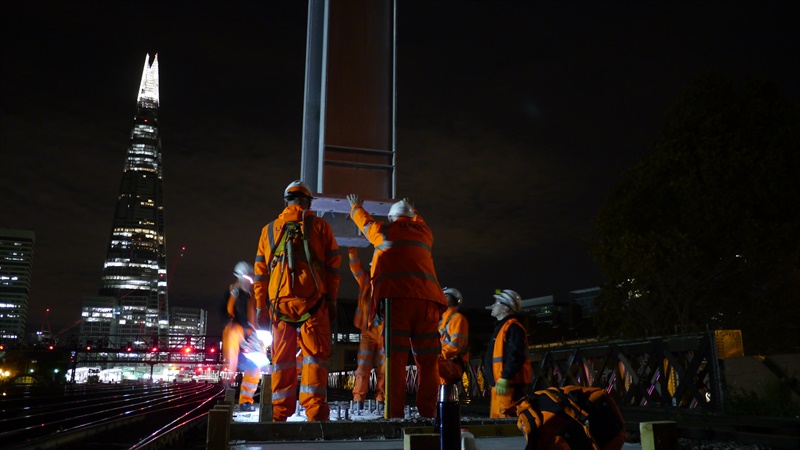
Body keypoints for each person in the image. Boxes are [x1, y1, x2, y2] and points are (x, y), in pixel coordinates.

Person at [346, 194, 446, 419]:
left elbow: (365, 223)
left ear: (391, 218)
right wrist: (413, 208)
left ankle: (394, 414)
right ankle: (429, 414)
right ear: (412, 217)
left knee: (395, 361)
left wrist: (355, 206)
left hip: (397, 305)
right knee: (428, 362)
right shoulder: (425, 234)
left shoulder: (384, 232)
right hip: (428, 304)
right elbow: (418, 221)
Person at [253, 180, 341, 422]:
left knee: (282, 361)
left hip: (279, 306)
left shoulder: (268, 230)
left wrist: (261, 306)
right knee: (315, 358)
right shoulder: (321, 227)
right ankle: (316, 416)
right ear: (308, 203)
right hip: (313, 305)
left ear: (286, 201)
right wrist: (331, 301)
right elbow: (333, 269)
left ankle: (279, 416)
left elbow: (260, 274)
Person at [222, 261, 265, 412]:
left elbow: (256, 316)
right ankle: (229, 381)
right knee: (232, 361)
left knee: (256, 365)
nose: (249, 281)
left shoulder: (253, 296)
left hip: (250, 331)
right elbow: (226, 313)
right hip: (235, 330)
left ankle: (246, 401)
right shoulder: (233, 293)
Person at [484, 289, 533, 418]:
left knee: (508, 425)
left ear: (506, 308)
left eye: (497, 302)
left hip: (509, 387)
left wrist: (505, 377)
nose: (493, 305)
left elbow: (516, 355)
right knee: (499, 425)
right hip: (501, 387)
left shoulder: (513, 327)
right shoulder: (502, 327)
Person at [348, 247, 386, 411]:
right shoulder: (366, 281)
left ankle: (381, 399)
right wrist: (352, 252)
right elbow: (356, 269)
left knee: (384, 369)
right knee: (363, 367)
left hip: (384, 332)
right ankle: (359, 399)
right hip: (369, 331)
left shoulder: (389, 284)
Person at [438, 287, 469, 386]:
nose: (442, 297)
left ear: (453, 300)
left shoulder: (458, 318)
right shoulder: (442, 322)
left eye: (446, 296)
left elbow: (456, 346)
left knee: (429, 364)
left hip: (454, 363)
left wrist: (439, 355)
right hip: (443, 362)